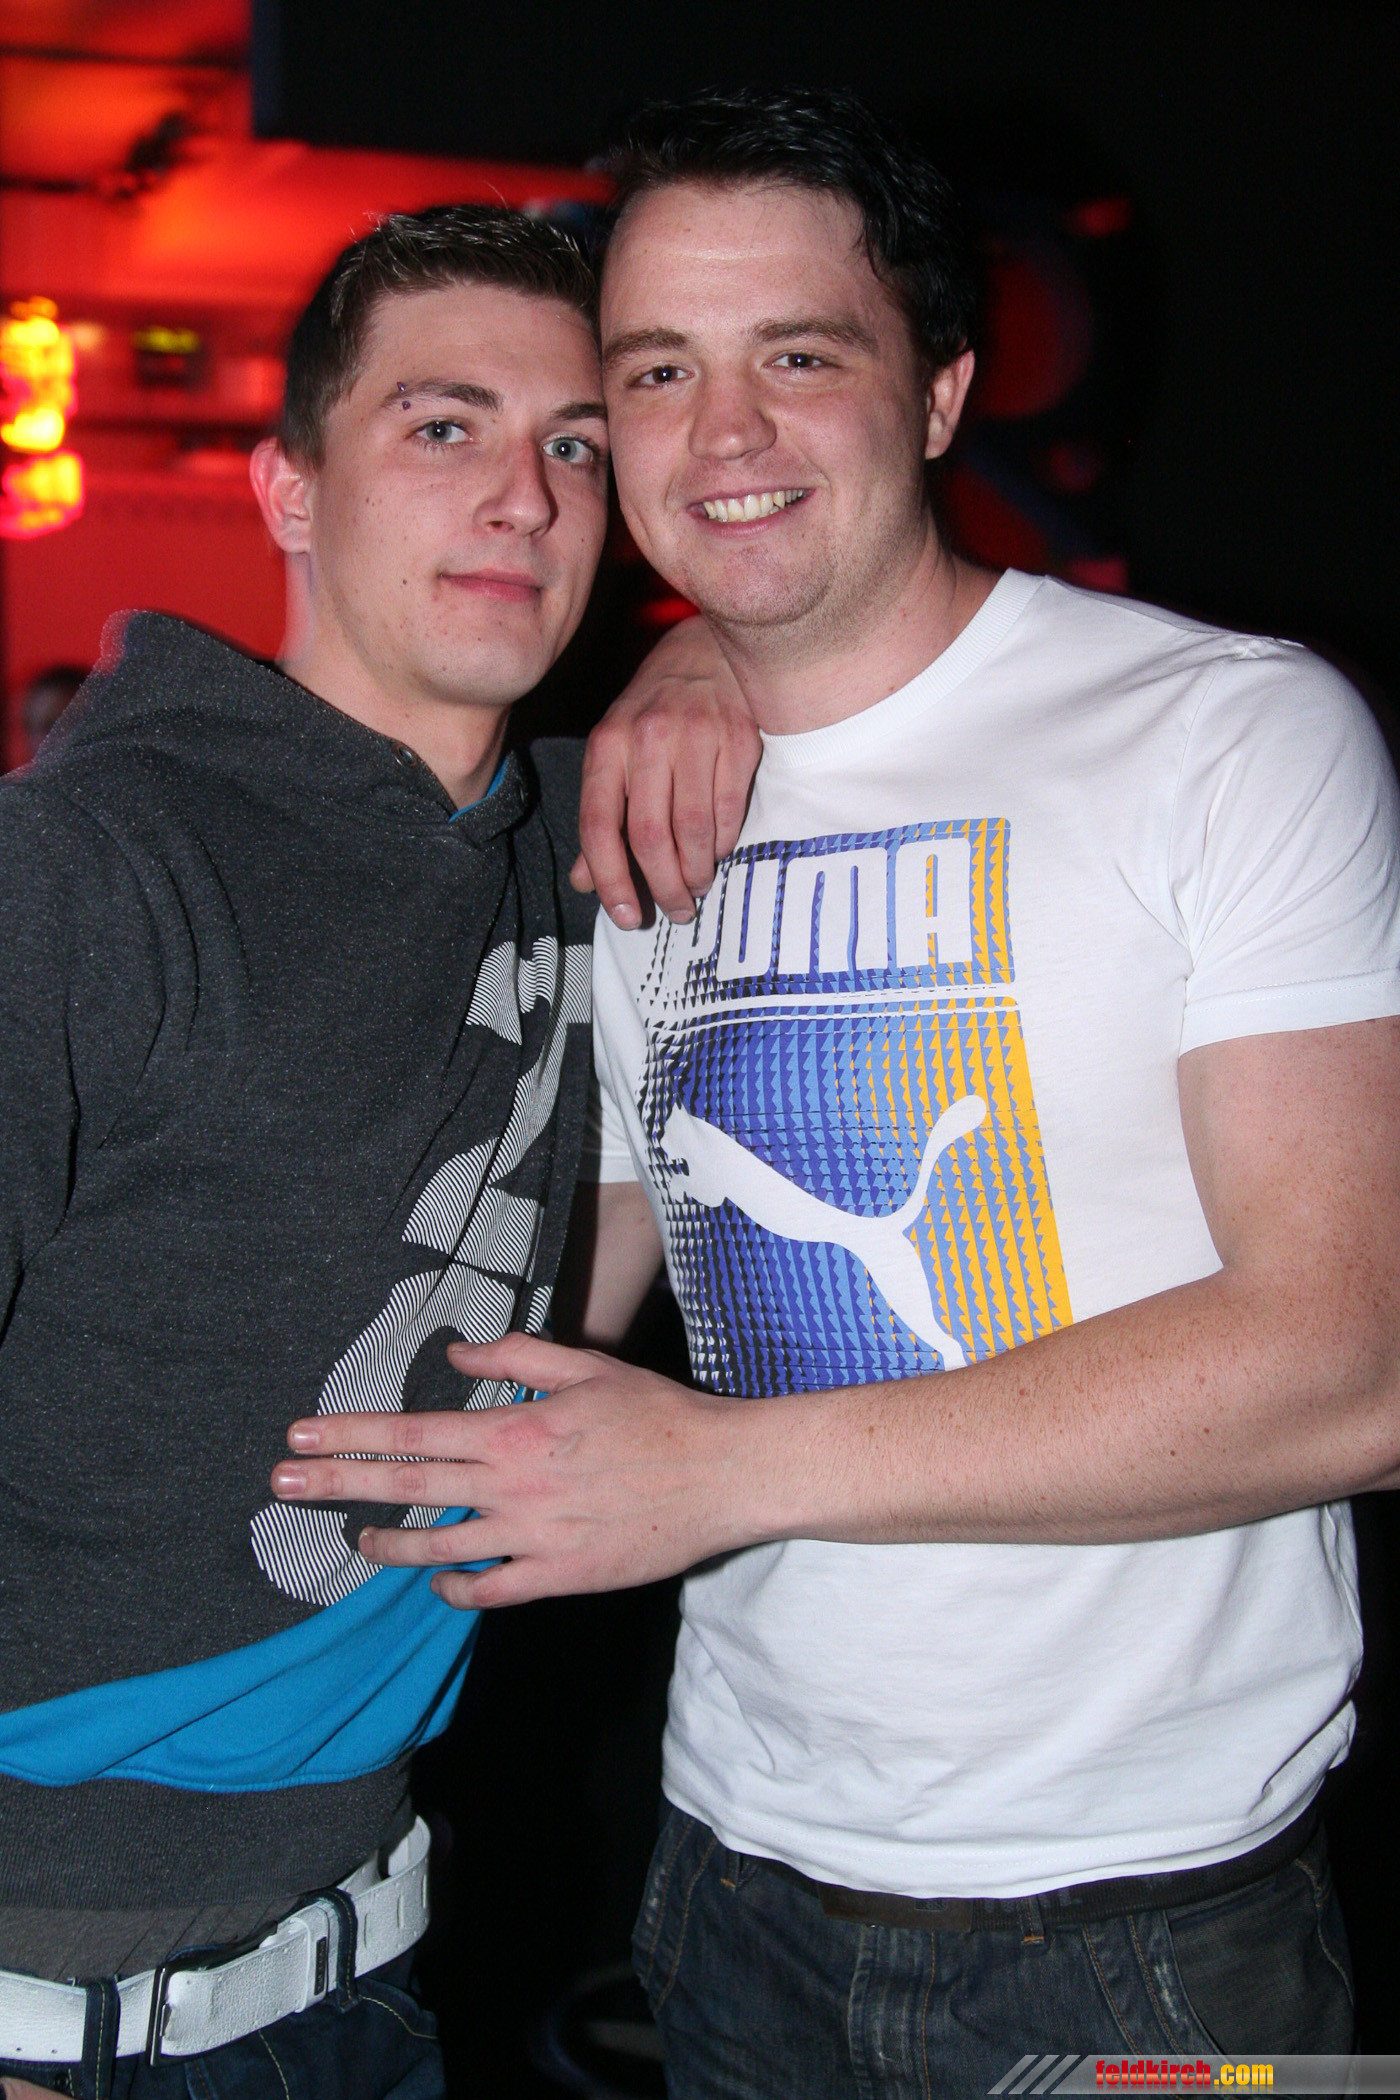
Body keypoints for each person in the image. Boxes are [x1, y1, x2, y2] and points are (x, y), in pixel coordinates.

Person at [278, 92, 1400, 2089]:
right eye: (657, 373)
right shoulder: (620, 809)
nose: (723, 436)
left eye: (798, 357)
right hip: (728, 1882)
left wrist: (721, 1475)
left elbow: (1360, 1366)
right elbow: (573, 1269)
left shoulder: (1229, 734)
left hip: (1160, 1925)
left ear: (943, 389)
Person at [0, 204, 749, 2100]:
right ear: (289, 489)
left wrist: (707, 663)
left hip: (374, 1948)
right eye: (442, 425)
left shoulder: (577, 828)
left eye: (575, 443)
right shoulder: (84, 866)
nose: (522, 495)